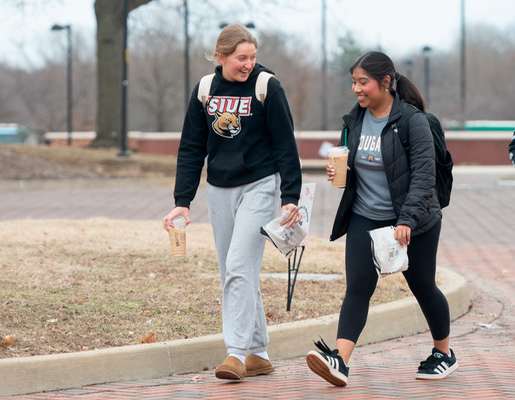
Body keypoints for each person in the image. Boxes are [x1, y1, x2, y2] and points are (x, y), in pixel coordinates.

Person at [306, 51, 458, 387]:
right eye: (353, 82)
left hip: (413, 219)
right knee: (358, 288)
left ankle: (443, 353)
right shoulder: (354, 120)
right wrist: (339, 171)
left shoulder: (412, 121)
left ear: (385, 82)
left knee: (422, 285)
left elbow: (423, 175)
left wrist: (406, 220)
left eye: (363, 82)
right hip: (365, 215)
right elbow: (354, 162)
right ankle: (339, 361)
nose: (356, 89)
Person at [162, 24, 302, 381]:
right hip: (219, 189)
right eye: (241, 58)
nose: (248, 64)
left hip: (259, 185)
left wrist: (290, 197)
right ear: (220, 57)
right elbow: (192, 147)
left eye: (252, 57)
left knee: (239, 265)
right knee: (233, 271)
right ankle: (259, 353)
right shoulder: (206, 90)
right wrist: (183, 201)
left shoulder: (266, 86)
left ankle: (235, 354)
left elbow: (286, 144)